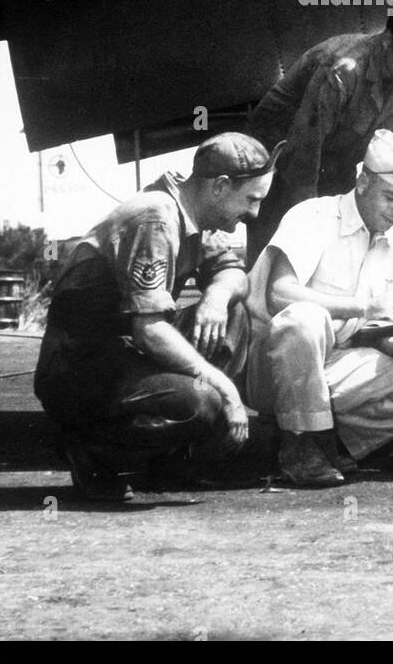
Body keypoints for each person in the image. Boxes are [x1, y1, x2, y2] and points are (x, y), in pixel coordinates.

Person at [34, 133, 280, 499]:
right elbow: (149, 331)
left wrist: (216, 295)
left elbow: (235, 275)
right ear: (220, 186)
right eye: (251, 199)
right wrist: (226, 389)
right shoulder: (156, 218)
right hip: (79, 369)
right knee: (203, 403)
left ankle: (169, 463)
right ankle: (91, 450)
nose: (254, 213)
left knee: (233, 313)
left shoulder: (192, 212)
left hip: (125, 354)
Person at [242, 129, 393, 487]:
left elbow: (382, 336)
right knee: (305, 317)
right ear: (363, 181)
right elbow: (279, 295)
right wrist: (363, 306)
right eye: (390, 198)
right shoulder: (314, 216)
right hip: (272, 366)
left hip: (332, 368)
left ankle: (323, 442)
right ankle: (301, 444)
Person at [245, 0, 393, 263]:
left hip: (334, 161)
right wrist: (309, 224)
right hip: (276, 161)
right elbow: (302, 154)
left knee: (343, 252)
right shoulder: (343, 67)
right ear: (388, 40)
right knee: (277, 258)